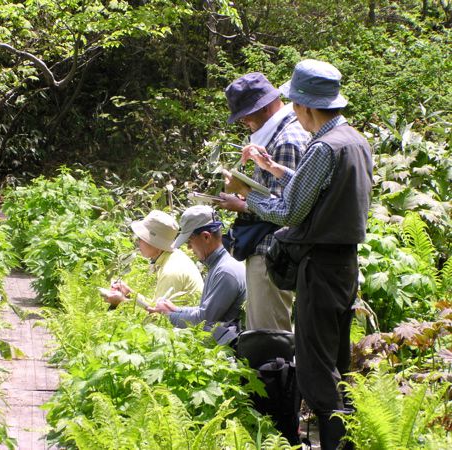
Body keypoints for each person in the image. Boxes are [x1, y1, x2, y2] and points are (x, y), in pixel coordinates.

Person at [224, 59, 372, 450]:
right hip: (345, 264)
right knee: (338, 361)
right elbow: (317, 189)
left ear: (306, 106)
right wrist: (274, 170)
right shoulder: (353, 140)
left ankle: (334, 443)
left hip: (319, 266)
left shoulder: (323, 146)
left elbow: (289, 211)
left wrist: (247, 197)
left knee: (315, 367)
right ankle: (346, 439)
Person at [217, 72, 310, 332]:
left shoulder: (287, 140)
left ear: (267, 106)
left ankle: (274, 374)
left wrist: (242, 198)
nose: (244, 121)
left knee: (268, 335)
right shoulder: (280, 133)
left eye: (247, 114)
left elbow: (287, 210)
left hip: (272, 251)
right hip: (270, 250)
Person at [149, 205, 246, 344]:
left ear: (206, 237)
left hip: (227, 351)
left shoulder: (225, 271)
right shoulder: (219, 265)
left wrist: (167, 315)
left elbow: (204, 320)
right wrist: (176, 309)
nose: (188, 247)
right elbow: (204, 311)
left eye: (189, 241)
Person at [103, 210, 203, 307]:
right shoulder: (174, 257)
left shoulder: (170, 271)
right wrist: (129, 293)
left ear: (155, 244)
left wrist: (121, 301)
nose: (138, 242)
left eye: (141, 238)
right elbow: (155, 306)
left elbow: (158, 316)